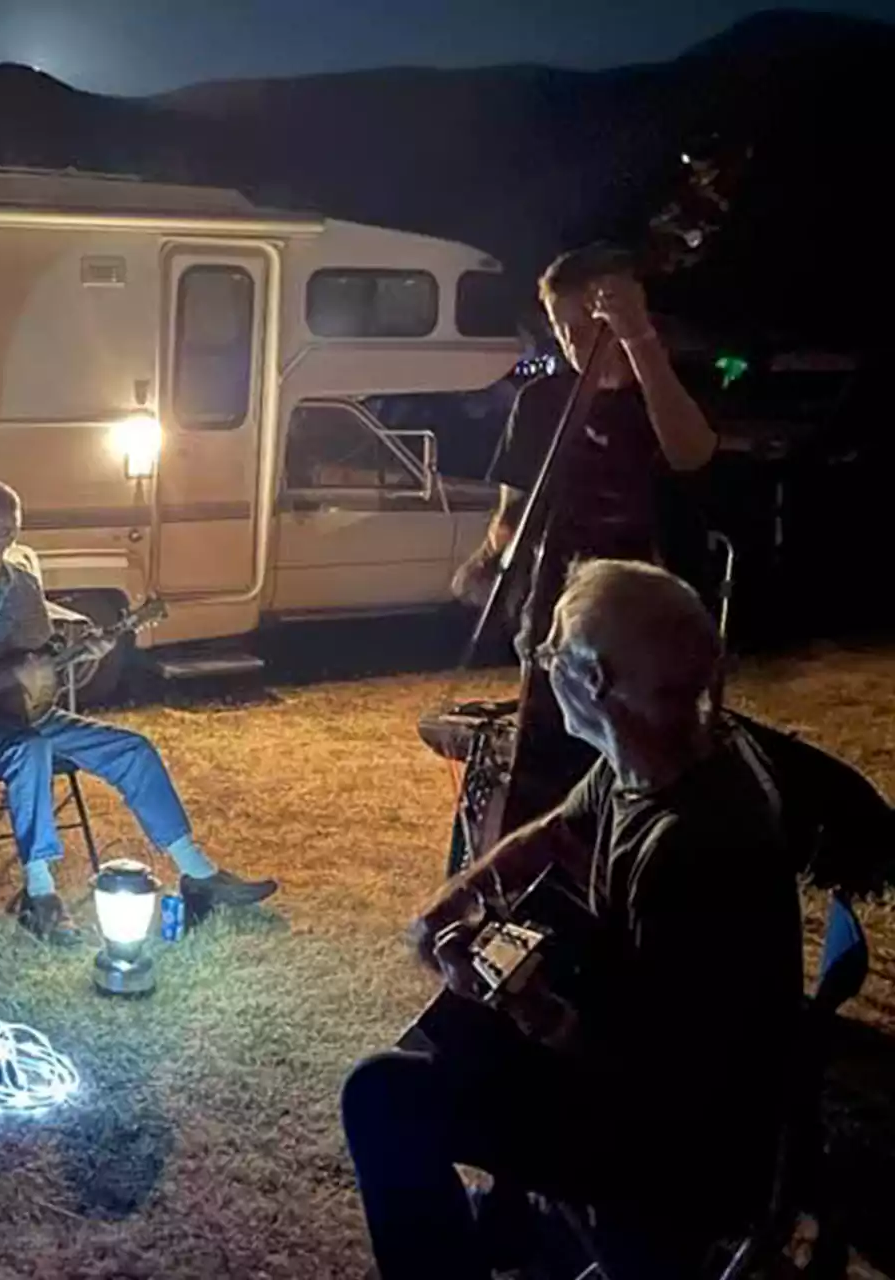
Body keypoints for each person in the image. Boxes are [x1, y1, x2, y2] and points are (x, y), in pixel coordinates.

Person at [343, 561, 803, 1280]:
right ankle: (511, 1227)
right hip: (655, 1080)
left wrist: (538, 1016)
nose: (539, 660)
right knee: (456, 1039)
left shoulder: (693, 847)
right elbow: (556, 831)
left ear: (593, 683)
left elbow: (667, 1079)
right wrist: (447, 911)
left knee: (382, 1095)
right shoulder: (658, 746)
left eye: (553, 647)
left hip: (679, 1152)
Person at [0, 480, 278, 943]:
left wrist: (83, 653)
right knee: (31, 750)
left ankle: (198, 874)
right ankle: (40, 897)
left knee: (132, 749)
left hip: (23, 717)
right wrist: (9, 677)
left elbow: (38, 666)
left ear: (14, 535)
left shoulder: (23, 588)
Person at [452, 244, 718, 830]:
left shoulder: (663, 386)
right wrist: (488, 557)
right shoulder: (542, 401)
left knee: (645, 769)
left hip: (650, 620)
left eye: (581, 327)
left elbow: (693, 453)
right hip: (555, 614)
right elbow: (514, 507)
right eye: (558, 329)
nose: (571, 344)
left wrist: (638, 340)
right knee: (545, 769)